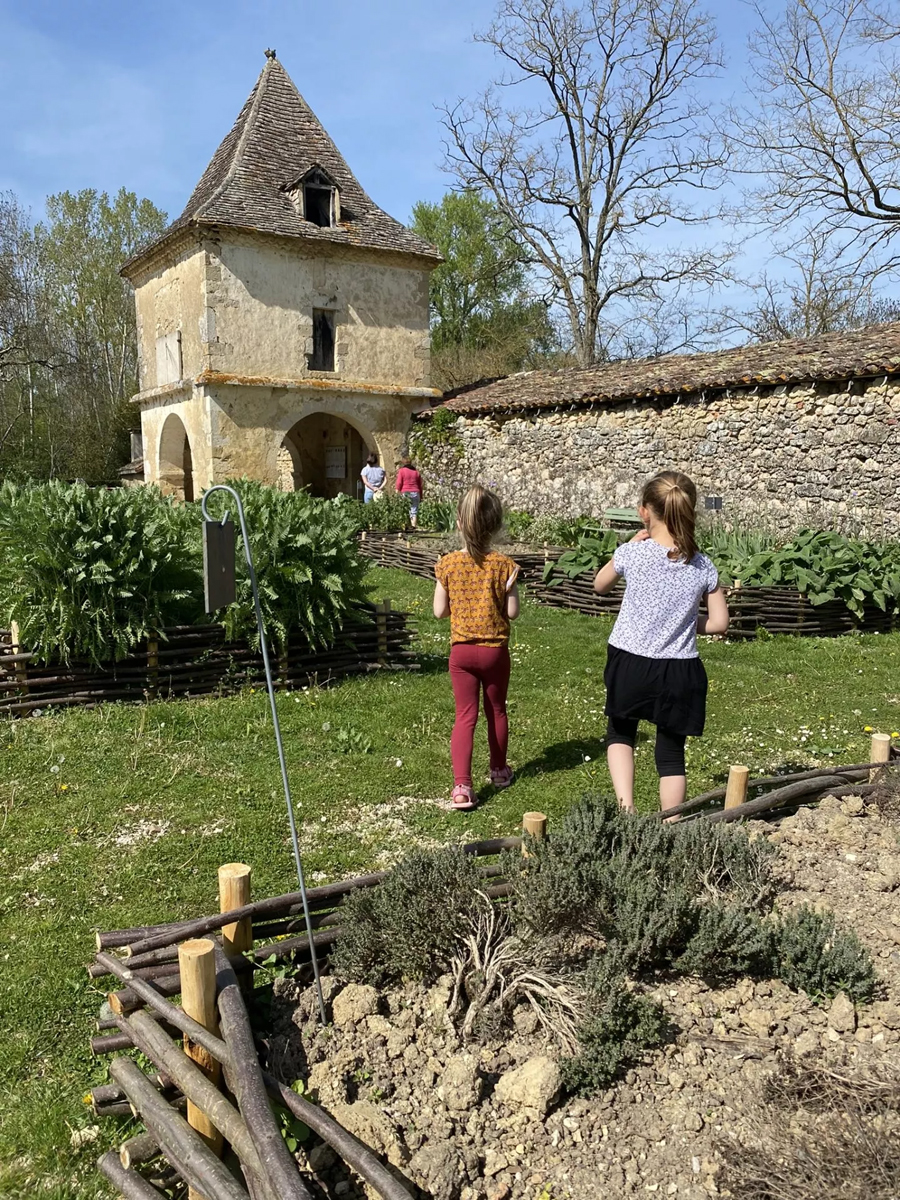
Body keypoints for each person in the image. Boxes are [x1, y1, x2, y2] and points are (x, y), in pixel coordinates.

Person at [593, 470, 729, 818]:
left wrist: (623, 552)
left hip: (630, 660)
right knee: (672, 750)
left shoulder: (632, 553)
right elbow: (719, 623)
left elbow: (600, 585)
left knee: (620, 731)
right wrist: (685, 622)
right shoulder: (703, 565)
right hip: (679, 668)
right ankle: (673, 821)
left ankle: (627, 809)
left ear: (644, 512)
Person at [433, 485, 520, 810]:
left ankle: (461, 787)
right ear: (495, 525)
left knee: (465, 716)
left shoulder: (448, 565)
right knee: (496, 710)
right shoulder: (504, 566)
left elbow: (439, 611)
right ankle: (498, 770)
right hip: (495, 651)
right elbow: (512, 612)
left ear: (458, 522)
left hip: (462, 653)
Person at [395, 456, 423, 528]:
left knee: (404, 510)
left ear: (403, 463)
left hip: (405, 492)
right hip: (415, 492)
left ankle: (405, 526)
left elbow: (399, 483)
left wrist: (397, 491)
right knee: (414, 511)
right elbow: (420, 485)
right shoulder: (416, 472)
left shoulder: (402, 471)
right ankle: (413, 527)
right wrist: (421, 496)